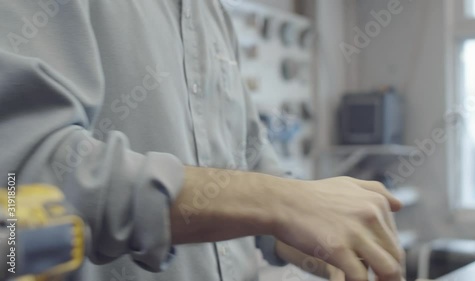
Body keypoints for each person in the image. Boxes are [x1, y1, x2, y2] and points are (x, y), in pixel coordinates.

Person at [0, 1, 404, 281]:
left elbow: (250, 163)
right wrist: (281, 201)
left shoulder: (210, 13)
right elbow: (20, 187)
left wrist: (323, 241)